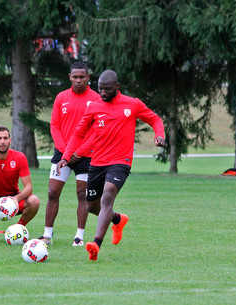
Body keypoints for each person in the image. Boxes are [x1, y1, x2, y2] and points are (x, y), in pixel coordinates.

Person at [57, 70, 165, 261]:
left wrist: (159, 135)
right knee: (92, 206)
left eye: (107, 89)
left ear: (117, 87)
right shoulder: (94, 107)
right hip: (97, 162)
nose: (103, 93)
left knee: (107, 196)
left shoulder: (132, 104)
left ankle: (95, 244)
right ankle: (117, 219)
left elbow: (155, 119)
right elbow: (79, 134)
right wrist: (66, 157)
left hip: (120, 162)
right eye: (100, 89)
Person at [38, 62, 100, 247]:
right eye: (75, 77)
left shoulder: (96, 99)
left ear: (88, 77)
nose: (79, 80)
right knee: (52, 192)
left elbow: (96, 131)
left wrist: (77, 152)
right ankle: (47, 235)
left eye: (82, 77)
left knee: (83, 194)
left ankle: (79, 237)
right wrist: (66, 152)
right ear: (70, 77)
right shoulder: (61, 97)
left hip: (87, 155)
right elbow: (54, 125)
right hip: (62, 153)